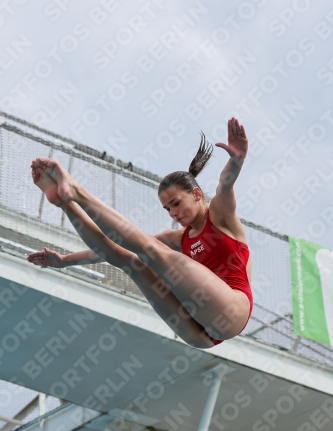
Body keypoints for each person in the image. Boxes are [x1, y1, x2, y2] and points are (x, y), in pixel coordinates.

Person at [28, 117, 253, 349]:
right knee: (132, 261)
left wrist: (237, 160)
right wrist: (65, 261)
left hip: (231, 313)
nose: (173, 213)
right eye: (167, 209)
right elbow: (112, 245)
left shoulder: (220, 215)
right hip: (199, 334)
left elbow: (224, 184)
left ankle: (76, 191)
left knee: (151, 250)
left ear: (196, 193)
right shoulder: (178, 238)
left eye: (176, 203)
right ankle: (66, 203)